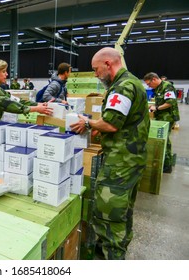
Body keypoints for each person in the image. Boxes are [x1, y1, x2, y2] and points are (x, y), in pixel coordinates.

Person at [70, 47, 150, 260]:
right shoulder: (130, 82)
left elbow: (112, 123)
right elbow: (118, 122)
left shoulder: (122, 87)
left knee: (108, 213)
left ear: (108, 64)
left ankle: (109, 257)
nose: (95, 74)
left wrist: (88, 122)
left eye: (96, 69)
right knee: (123, 211)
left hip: (121, 162)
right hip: (131, 159)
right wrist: (100, 126)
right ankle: (119, 248)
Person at [143, 72, 180, 173]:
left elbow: (170, 102)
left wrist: (157, 108)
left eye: (149, 83)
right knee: (164, 139)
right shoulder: (158, 88)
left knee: (164, 140)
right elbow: (160, 101)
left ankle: (167, 165)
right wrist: (153, 106)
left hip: (168, 117)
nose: (148, 86)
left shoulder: (167, 86)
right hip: (161, 116)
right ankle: (166, 162)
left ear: (154, 79)